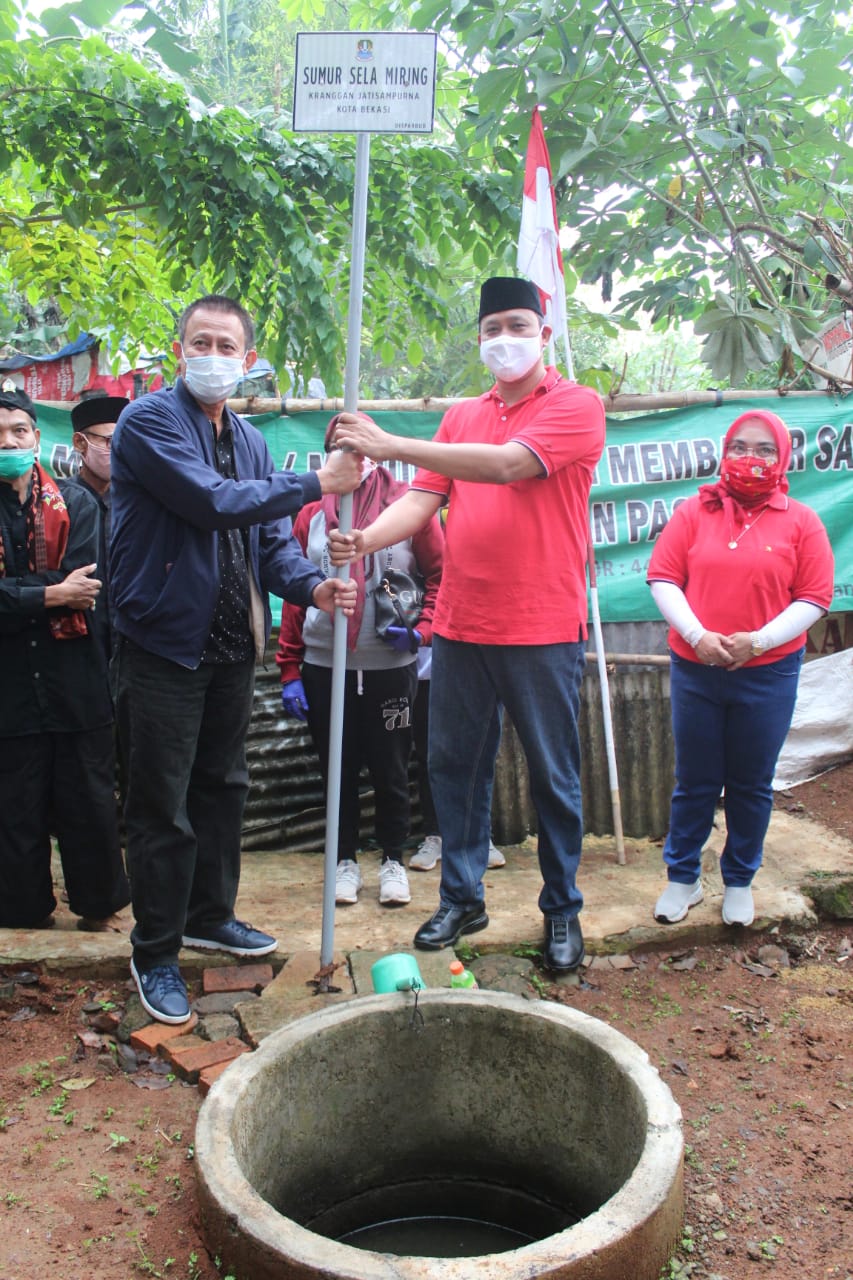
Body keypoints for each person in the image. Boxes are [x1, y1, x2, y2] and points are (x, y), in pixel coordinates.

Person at [329, 276, 606, 972]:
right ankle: (460, 896)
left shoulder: (576, 406)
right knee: (453, 767)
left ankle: (561, 909)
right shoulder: (461, 416)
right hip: (459, 622)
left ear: (543, 334)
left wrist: (392, 442)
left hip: (542, 625)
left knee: (552, 776)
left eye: (517, 326)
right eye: (490, 330)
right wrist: (363, 539)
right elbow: (423, 502)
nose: (502, 341)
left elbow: (512, 466)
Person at [110, 295, 361, 1024]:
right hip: (161, 644)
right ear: (179, 349)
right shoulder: (149, 422)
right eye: (200, 341)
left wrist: (313, 587)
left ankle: (208, 915)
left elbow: (270, 542)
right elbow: (212, 501)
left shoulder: (249, 440)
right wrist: (319, 481)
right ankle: (155, 950)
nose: (212, 355)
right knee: (161, 805)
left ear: (248, 360)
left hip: (228, 647)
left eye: (227, 345)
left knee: (222, 788)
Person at [647, 410, 834, 927]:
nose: (750, 459)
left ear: (782, 457)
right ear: (724, 453)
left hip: (768, 673)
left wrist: (759, 641)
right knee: (695, 780)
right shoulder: (693, 513)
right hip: (696, 670)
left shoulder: (802, 521)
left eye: (764, 449)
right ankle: (682, 879)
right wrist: (697, 635)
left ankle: (739, 881)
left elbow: (814, 598)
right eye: (740, 447)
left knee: (751, 783)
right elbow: (663, 577)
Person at [276, 416, 444, 906]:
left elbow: (440, 575)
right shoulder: (309, 509)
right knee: (337, 768)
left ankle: (393, 858)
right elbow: (294, 591)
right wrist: (290, 669)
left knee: (392, 767)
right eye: (341, 448)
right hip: (325, 666)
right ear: (328, 454)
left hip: (391, 668)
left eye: (361, 447)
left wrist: (422, 630)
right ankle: (344, 859)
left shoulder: (410, 507)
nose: (355, 458)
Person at [0, 380, 130, 930]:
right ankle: (24, 912)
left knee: (90, 801)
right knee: (14, 807)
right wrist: (50, 594)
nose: (9, 442)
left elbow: (89, 583)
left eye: (18, 431)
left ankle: (97, 907)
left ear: (36, 435)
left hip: (77, 678)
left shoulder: (76, 502)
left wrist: (19, 595)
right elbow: (67, 588)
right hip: (8, 687)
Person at [408, 644, 507, 873]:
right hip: (425, 672)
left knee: (477, 755)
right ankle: (434, 836)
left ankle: (480, 836)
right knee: (429, 756)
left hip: (473, 667)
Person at [66, 395, 129, 663]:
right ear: (81, 443)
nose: (118, 450)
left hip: (130, 642)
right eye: (109, 441)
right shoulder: (59, 501)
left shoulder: (135, 501)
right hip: (77, 641)